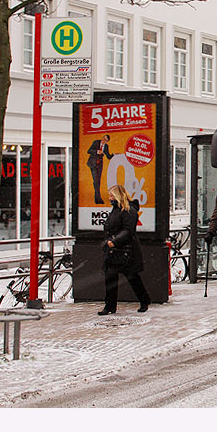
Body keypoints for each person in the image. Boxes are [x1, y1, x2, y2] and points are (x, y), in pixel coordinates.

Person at [98, 184, 151, 315]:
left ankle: (144, 300)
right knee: (110, 277)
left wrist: (115, 241)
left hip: (127, 250)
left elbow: (128, 230)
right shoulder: (116, 209)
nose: (109, 197)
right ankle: (110, 306)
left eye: (111, 195)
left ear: (118, 196)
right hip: (114, 250)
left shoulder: (128, 210)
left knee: (132, 277)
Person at [87, 134, 114, 204]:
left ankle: (97, 198)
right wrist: (96, 152)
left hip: (99, 165)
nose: (103, 141)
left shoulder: (106, 146)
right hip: (93, 163)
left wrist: (113, 155)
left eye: (105, 140)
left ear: (107, 141)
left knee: (98, 181)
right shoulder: (96, 142)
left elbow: (108, 156)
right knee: (96, 181)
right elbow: (89, 151)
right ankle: (98, 199)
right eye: (103, 139)